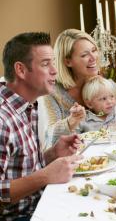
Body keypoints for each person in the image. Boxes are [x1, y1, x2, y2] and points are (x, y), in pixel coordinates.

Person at [0, 32, 82, 221]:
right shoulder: (2, 119)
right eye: (46, 64)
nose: (55, 70)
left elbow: (19, 168)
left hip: (42, 204)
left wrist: (52, 154)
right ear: (20, 70)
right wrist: (45, 176)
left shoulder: (29, 105)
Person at [43, 29, 116, 146]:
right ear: (68, 61)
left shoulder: (111, 88)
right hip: (69, 158)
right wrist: (71, 122)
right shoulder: (53, 93)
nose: (93, 58)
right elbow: (50, 137)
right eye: (84, 55)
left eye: (94, 50)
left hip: (108, 155)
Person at [51, 75, 116, 143]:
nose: (110, 102)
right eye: (103, 99)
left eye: (112, 96)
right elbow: (73, 135)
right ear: (89, 104)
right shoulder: (85, 118)